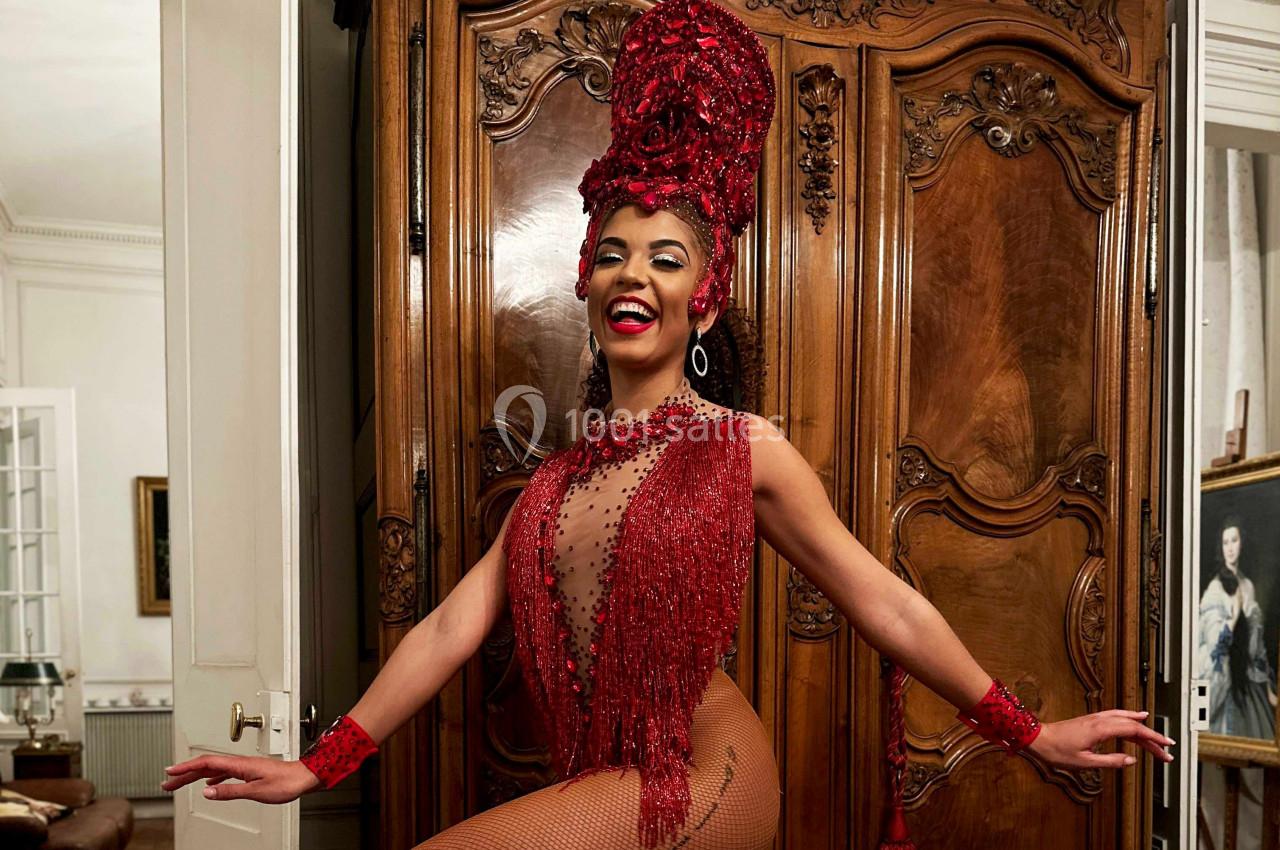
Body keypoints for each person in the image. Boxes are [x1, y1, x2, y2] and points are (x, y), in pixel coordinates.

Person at [160, 2, 1174, 847]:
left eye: (664, 256)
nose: (632, 274)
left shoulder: (743, 448)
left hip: (708, 774)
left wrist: (1026, 731)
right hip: (609, 773)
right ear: (586, 283)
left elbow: (887, 603)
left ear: (705, 296)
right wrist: (317, 761)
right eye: (611, 253)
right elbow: (445, 628)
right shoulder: (554, 484)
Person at [1196, 515, 1278, 738]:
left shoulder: (1248, 585)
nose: (1230, 548)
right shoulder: (1215, 589)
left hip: (1247, 681)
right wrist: (1232, 619)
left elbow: (1257, 646)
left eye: (1234, 540)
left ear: (1242, 543)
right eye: (1225, 542)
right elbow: (1214, 649)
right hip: (1224, 682)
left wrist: (1269, 688)